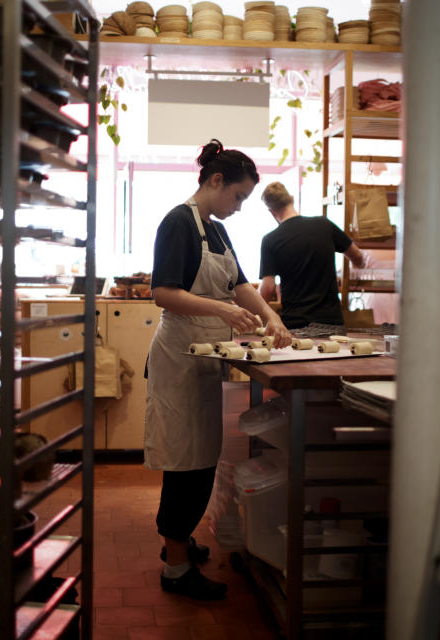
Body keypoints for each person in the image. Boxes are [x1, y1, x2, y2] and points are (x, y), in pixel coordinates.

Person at [144, 139, 292, 600]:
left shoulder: (216, 229)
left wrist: (272, 317)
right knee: (184, 461)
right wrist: (225, 312)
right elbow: (163, 293)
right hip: (179, 356)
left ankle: (181, 540)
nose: (241, 207)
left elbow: (240, 284)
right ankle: (175, 568)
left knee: (201, 455)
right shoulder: (177, 223)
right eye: (239, 196)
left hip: (204, 356)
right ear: (215, 181)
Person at [258, 182, 367, 329]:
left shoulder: (270, 240)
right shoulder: (324, 225)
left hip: (296, 324)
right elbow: (358, 256)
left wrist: (253, 313)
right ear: (292, 199)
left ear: (271, 212)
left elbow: (268, 288)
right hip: (331, 323)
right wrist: (358, 265)